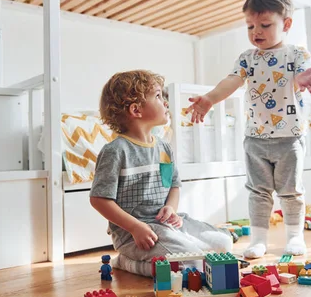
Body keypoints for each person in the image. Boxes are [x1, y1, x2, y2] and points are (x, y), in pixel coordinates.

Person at [186, 0, 311, 259]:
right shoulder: (247, 58)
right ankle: (259, 239)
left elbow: (296, 79)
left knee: (290, 191)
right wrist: (210, 99)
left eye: (264, 24)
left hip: (289, 137)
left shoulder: (296, 54)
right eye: (250, 26)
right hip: (256, 139)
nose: (256, 32)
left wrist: (301, 80)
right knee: (258, 192)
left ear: (286, 24)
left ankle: (295, 235)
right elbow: (232, 81)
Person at [90, 70, 233, 276]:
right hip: (136, 233)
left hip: (168, 224)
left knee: (224, 244)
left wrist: (170, 208)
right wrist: (135, 228)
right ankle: (125, 260)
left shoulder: (164, 147)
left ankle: (186, 246)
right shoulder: (116, 151)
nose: (166, 102)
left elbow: (174, 184)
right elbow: (99, 199)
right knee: (190, 264)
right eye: (158, 96)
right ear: (136, 110)